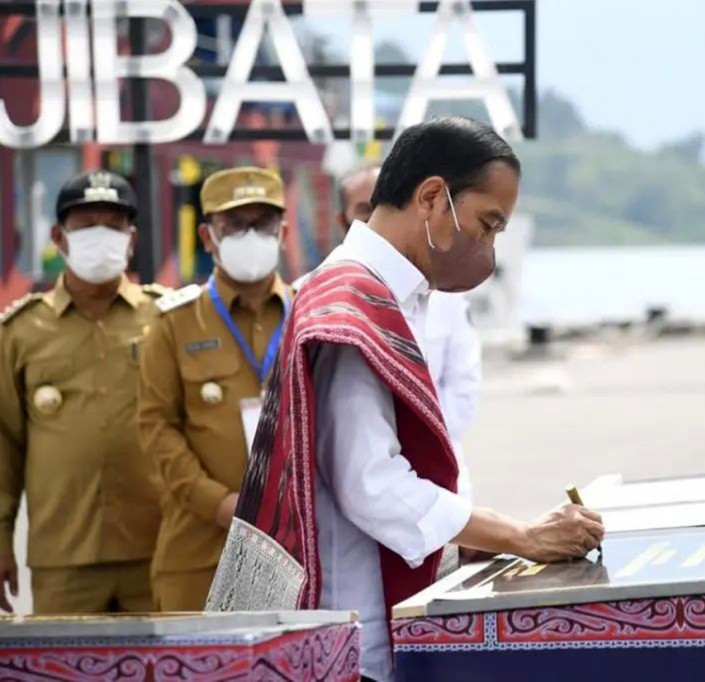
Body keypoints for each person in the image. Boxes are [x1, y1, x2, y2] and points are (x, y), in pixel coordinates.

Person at [207, 118, 604, 682]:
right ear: (432, 198)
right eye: (487, 224)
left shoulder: (381, 290)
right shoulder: (351, 301)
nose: (488, 247)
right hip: (354, 633)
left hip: (369, 608)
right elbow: (371, 484)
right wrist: (520, 536)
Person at [0, 170, 166, 614]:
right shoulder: (21, 332)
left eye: (114, 225)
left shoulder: (164, 319)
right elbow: (5, 445)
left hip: (157, 548)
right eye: (87, 223)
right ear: (59, 235)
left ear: (131, 238)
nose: (102, 235)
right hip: (62, 557)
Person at [138, 167, 292, 612]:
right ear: (208, 238)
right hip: (200, 549)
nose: (251, 235)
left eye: (262, 224)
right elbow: (156, 430)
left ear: (282, 233)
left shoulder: (309, 313)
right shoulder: (174, 323)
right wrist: (220, 504)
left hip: (295, 547)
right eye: (235, 225)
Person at [338, 165, 482, 499]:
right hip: (373, 495)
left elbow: (463, 386)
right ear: (341, 220)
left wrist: (423, 442)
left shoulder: (443, 295)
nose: (376, 220)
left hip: (441, 476)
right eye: (363, 210)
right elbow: (362, 474)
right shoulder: (325, 296)